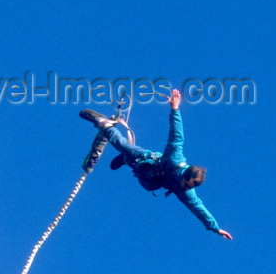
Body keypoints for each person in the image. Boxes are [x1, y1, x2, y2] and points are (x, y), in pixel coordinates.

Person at [79, 89, 233, 240]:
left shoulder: (185, 191)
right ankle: (102, 123)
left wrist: (215, 228)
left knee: (150, 184)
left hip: (147, 175)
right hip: (146, 159)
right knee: (121, 144)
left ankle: (127, 160)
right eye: (187, 184)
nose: (186, 188)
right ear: (186, 175)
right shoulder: (175, 158)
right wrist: (175, 109)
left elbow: (199, 208)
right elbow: (177, 135)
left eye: (189, 187)